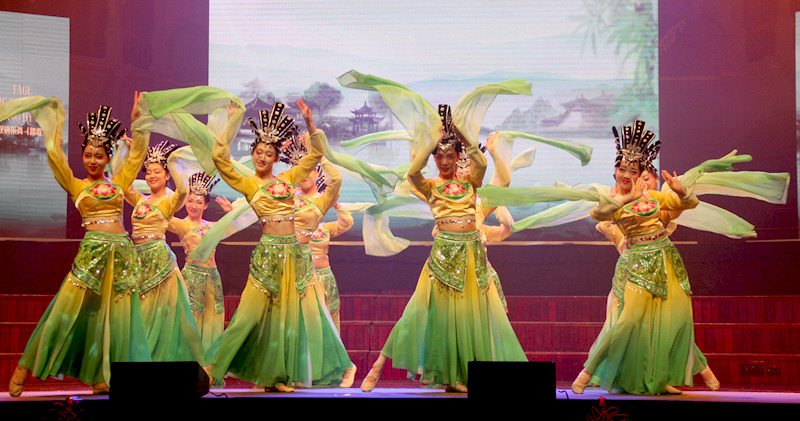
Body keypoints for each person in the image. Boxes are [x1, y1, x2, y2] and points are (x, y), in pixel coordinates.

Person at [360, 104, 527, 393]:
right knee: (415, 310)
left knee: (466, 319)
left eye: (452, 155)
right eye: (441, 156)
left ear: (459, 157)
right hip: (441, 256)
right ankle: (376, 369)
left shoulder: (470, 184)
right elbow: (413, 172)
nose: (446, 161)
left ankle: (459, 375)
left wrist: (464, 135)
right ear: (435, 158)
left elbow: (484, 166)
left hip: (471, 254)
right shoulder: (430, 186)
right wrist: (429, 142)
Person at [3, 95, 151, 396]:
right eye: (88, 154)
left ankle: (102, 375)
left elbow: (136, 157)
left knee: (116, 318)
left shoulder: (119, 183)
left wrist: (139, 122)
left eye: (99, 155)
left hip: (121, 253)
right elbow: (56, 155)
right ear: (82, 155)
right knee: (65, 309)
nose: (93, 160)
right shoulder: (75, 185)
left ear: (108, 157)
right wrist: (55, 123)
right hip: (92, 253)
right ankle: (25, 364)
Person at [206, 99, 353, 392]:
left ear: (275, 157)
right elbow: (220, 160)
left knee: (286, 319)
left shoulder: (288, 178)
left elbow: (317, 155)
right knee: (247, 315)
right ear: (253, 154)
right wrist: (230, 125)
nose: (262, 157)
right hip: (268, 254)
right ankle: (212, 370)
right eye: (258, 152)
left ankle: (278, 377)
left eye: (268, 153)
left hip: (293, 255)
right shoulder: (248, 184)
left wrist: (310, 124)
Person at [571, 120, 718, 395]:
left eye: (632, 170)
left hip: (666, 260)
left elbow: (688, 204)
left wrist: (680, 189)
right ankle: (587, 372)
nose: (625, 174)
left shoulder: (653, 197)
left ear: (641, 173)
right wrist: (629, 198)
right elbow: (599, 216)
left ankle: (667, 377)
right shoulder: (612, 198)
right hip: (637, 264)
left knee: (678, 319)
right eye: (622, 168)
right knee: (627, 322)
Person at [125, 140, 207, 365]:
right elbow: (124, 186)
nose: (151, 175)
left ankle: (163, 363)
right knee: (139, 315)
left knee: (162, 314)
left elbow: (183, 190)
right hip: (138, 261)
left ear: (166, 175)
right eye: (149, 172)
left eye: (157, 171)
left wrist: (175, 163)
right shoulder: (140, 201)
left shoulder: (169, 202)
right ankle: (142, 362)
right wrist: (134, 153)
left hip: (160, 262)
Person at [167, 172, 234, 352]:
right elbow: (161, 216)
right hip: (192, 276)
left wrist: (231, 212)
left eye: (198, 202)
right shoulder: (182, 224)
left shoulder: (212, 226)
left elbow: (234, 225)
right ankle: (191, 361)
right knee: (192, 319)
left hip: (213, 278)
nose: (193, 205)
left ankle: (209, 363)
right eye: (190, 200)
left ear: (205, 205)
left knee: (213, 319)